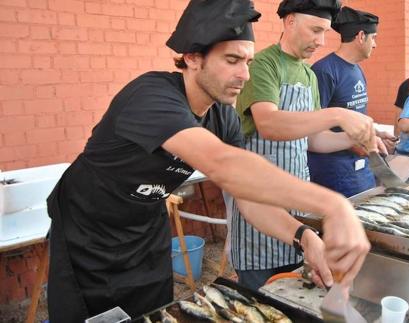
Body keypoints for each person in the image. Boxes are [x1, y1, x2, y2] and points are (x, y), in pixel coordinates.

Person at [46, 1, 370, 321]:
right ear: (192, 57)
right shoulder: (151, 96)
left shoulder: (222, 118)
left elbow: (248, 195)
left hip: (145, 230)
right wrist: (333, 206)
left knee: (155, 314)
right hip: (88, 232)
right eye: (232, 60)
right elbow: (223, 164)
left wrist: (304, 235)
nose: (244, 74)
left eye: (248, 61)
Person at [232, 0, 381, 291]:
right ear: (289, 22)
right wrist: (338, 114)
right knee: (261, 297)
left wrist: (355, 138)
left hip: (297, 207)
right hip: (259, 204)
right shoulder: (264, 64)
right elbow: (269, 124)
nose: (321, 41)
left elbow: (314, 140)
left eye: (325, 32)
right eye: (315, 30)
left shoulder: (309, 75)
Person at [308, 6, 395, 197]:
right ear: (361, 36)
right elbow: (313, 129)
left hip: (361, 172)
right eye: (374, 38)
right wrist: (355, 142)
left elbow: (355, 114)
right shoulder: (324, 71)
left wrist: (374, 132)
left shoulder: (357, 70)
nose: (375, 45)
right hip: (333, 176)